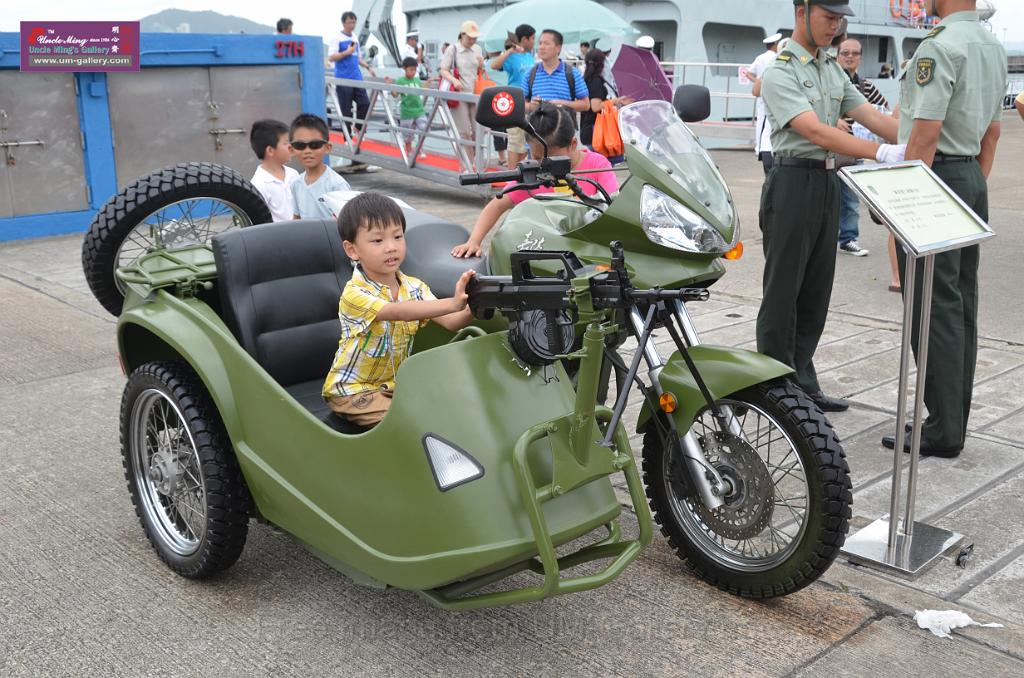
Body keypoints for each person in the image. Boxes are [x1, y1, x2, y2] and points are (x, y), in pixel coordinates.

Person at [756, 0, 903, 413]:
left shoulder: (832, 69)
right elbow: (816, 131)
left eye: (840, 20)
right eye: (828, 17)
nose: (835, 26)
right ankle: (773, 387)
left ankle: (802, 380)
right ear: (801, 11)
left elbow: (873, 117)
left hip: (826, 182)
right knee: (783, 290)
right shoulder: (780, 71)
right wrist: (882, 153)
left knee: (816, 290)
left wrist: (923, 138)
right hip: (791, 182)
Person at [881, 0, 1007, 458]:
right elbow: (992, 133)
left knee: (932, 305)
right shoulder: (990, 45)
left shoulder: (940, 47)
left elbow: (925, 134)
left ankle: (942, 430)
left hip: (934, 177)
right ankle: (954, 418)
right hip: (969, 176)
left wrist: (903, 200)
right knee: (960, 303)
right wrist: (970, 188)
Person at [323, 192, 476, 427]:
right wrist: (453, 301)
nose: (391, 247)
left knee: (452, 405)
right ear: (352, 250)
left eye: (397, 237)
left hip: (394, 387)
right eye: (378, 241)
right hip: (353, 392)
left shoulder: (414, 287)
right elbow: (398, 312)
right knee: (408, 423)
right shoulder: (354, 294)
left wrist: (474, 305)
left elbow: (451, 321)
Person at [451, 103, 619, 258]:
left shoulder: (598, 165)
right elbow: (497, 205)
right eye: (537, 157)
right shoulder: (533, 174)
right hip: (549, 256)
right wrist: (474, 241)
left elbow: (613, 206)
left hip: (590, 253)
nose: (543, 165)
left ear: (573, 144)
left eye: (551, 159)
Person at [836, 37, 891, 257]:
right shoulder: (830, 81)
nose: (849, 57)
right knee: (824, 201)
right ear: (837, 56)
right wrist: (831, 121)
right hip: (827, 149)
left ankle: (848, 239)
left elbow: (883, 108)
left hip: (853, 151)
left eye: (854, 53)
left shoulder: (864, 85)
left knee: (850, 200)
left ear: (860, 57)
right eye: (845, 53)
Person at [289, 113, 351, 220]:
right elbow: (297, 218)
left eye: (315, 145)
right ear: (291, 150)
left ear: (328, 147)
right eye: (300, 146)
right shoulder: (296, 184)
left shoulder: (337, 185)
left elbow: (349, 223)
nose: (307, 151)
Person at [490, 24, 536, 167]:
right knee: (516, 140)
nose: (534, 41)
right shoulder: (511, 56)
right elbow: (494, 65)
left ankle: (520, 171)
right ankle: (512, 173)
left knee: (528, 140)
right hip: (515, 101)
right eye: (533, 38)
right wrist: (510, 51)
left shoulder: (530, 56)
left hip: (530, 101)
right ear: (524, 39)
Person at [440, 21, 486, 165]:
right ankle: (467, 162)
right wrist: (454, 81)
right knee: (464, 131)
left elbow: (481, 71)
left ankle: (476, 161)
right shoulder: (452, 49)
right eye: (470, 38)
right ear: (462, 34)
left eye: (475, 38)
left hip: (475, 93)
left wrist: (481, 64)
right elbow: (443, 69)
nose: (472, 41)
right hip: (459, 94)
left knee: (480, 129)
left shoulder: (477, 49)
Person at [329, 12, 377, 139]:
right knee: (346, 110)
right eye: (350, 22)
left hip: (356, 77)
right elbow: (332, 57)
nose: (352, 25)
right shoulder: (336, 37)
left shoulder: (355, 37)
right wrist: (347, 52)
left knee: (365, 104)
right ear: (343, 23)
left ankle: (357, 128)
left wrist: (368, 67)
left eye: (354, 22)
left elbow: (358, 58)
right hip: (343, 79)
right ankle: (347, 138)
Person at [580, 49, 632, 164]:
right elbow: (595, 106)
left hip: (590, 130)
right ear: (602, 64)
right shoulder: (596, 82)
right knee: (605, 165)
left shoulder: (586, 80)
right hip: (597, 132)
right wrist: (616, 101)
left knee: (598, 166)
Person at [523, 29, 589, 114]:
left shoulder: (572, 73)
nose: (541, 47)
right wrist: (531, 106)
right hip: (537, 126)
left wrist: (564, 104)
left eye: (546, 43)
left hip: (564, 126)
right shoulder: (530, 74)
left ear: (558, 48)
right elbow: (522, 105)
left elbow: (586, 105)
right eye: (540, 43)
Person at [248, 119, 299, 223]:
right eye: (286, 143)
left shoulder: (293, 174)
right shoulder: (259, 184)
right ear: (270, 150)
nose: (291, 146)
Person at [750, 33, 786, 174]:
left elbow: (755, 89)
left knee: (761, 122)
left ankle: (758, 147)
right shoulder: (774, 62)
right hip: (781, 149)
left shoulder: (763, 59)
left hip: (770, 147)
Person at [395, 57, 429, 159]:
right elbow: (395, 94)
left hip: (419, 110)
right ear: (404, 69)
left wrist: (427, 84)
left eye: (414, 70)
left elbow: (422, 90)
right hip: (407, 112)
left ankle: (419, 148)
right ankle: (409, 151)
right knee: (407, 134)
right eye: (410, 69)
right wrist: (388, 85)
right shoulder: (400, 81)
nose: (413, 72)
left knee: (423, 129)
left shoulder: (417, 80)